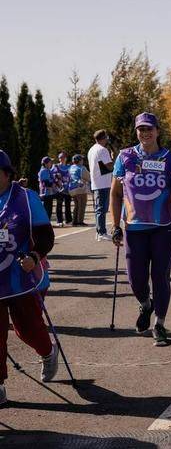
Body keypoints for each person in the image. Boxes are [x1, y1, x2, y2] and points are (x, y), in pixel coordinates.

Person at [110, 112, 171, 347]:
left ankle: (160, 323)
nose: (145, 133)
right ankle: (145, 304)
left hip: (164, 227)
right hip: (134, 227)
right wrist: (115, 226)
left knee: (160, 275)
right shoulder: (125, 157)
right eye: (141, 129)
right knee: (136, 278)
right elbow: (115, 194)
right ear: (136, 132)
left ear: (157, 131)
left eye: (149, 129)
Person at [0, 150, 58, 405]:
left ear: (7, 174)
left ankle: (47, 352)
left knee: (28, 330)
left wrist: (34, 256)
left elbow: (46, 235)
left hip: (20, 279)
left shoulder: (24, 198)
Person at [88, 130, 114, 241]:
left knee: (100, 209)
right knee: (102, 209)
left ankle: (99, 231)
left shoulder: (92, 149)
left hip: (97, 182)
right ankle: (101, 232)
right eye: (106, 137)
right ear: (104, 138)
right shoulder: (102, 150)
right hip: (102, 183)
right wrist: (113, 159)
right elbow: (109, 166)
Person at [68, 154, 90, 226]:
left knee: (76, 205)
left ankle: (74, 221)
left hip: (72, 188)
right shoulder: (82, 168)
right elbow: (88, 177)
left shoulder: (71, 167)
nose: (83, 161)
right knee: (82, 205)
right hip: (80, 188)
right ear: (79, 161)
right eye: (82, 159)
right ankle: (80, 221)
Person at [52, 152, 72, 227]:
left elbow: (71, 176)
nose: (62, 159)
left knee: (68, 205)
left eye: (63, 157)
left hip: (68, 189)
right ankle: (59, 221)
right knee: (59, 205)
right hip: (59, 189)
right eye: (60, 157)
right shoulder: (56, 166)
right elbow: (54, 176)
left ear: (66, 158)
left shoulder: (69, 166)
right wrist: (59, 182)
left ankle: (69, 220)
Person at [38, 157, 57, 221]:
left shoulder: (47, 170)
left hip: (49, 193)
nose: (51, 163)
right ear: (45, 164)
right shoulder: (43, 171)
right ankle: (44, 223)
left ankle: (47, 222)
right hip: (45, 193)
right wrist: (52, 184)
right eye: (50, 162)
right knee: (47, 209)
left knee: (49, 209)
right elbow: (45, 183)